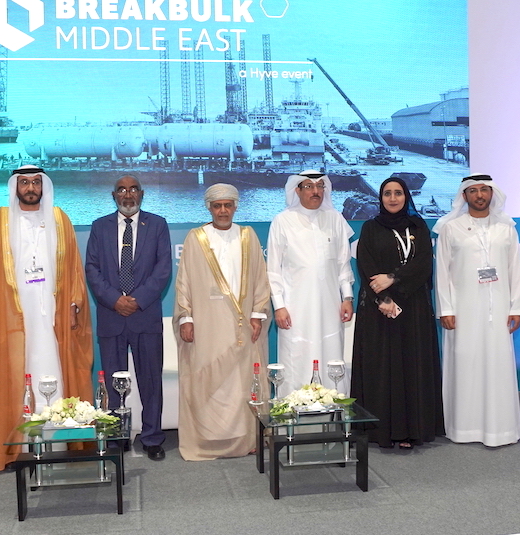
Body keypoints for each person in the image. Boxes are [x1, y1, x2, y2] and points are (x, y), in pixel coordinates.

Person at [0, 166, 93, 471]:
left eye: (36, 183)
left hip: (53, 312)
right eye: (25, 183)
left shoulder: (59, 218)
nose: (30, 188)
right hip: (14, 313)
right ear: (15, 187)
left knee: (55, 366)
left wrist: (73, 304)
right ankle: (22, 447)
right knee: (19, 369)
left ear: (44, 186)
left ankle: (62, 441)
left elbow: (73, 268)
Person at [173, 184, 270, 460]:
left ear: (236, 207)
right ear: (209, 208)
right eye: (217, 206)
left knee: (241, 383)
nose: (223, 211)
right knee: (211, 380)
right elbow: (184, 281)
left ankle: (246, 439)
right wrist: (186, 317)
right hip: (207, 324)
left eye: (228, 205)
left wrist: (258, 314)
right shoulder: (197, 238)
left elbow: (260, 278)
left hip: (243, 324)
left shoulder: (247, 236)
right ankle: (209, 441)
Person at [434, 173, 520, 447]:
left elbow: (515, 270)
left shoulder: (506, 228)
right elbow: (443, 273)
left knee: (498, 364)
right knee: (465, 364)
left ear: (492, 193)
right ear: (464, 196)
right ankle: (465, 428)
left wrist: (516, 307)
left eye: (484, 190)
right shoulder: (451, 228)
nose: (479, 195)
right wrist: (446, 309)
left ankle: (501, 429)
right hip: (463, 310)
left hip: (499, 309)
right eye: (473, 191)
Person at [352, 176, 444, 450]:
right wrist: (384, 298)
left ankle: (411, 430)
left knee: (411, 366)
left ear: (406, 196)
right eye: (388, 194)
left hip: (413, 307)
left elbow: (423, 263)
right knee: (382, 368)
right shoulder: (370, 227)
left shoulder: (418, 226)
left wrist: (393, 279)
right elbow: (366, 265)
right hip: (380, 309)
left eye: (398, 193)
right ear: (381, 198)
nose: (393, 198)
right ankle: (381, 431)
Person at [86, 175, 173, 460]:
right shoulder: (99, 227)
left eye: (133, 189)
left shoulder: (157, 225)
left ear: (141, 194)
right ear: (114, 196)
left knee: (151, 381)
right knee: (114, 382)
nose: (128, 194)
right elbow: (92, 269)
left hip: (145, 315)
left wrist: (137, 300)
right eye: (122, 190)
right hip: (111, 316)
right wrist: (115, 300)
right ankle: (117, 436)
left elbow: (163, 270)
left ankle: (152, 437)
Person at [266, 171, 355, 392]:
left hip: (330, 307)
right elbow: (273, 270)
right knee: (296, 359)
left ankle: (334, 407)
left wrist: (347, 297)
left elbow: (343, 263)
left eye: (320, 186)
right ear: (297, 190)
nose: (315, 191)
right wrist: (279, 306)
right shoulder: (282, 221)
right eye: (309, 186)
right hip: (295, 308)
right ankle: (294, 410)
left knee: (331, 357)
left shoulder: (335, 218)